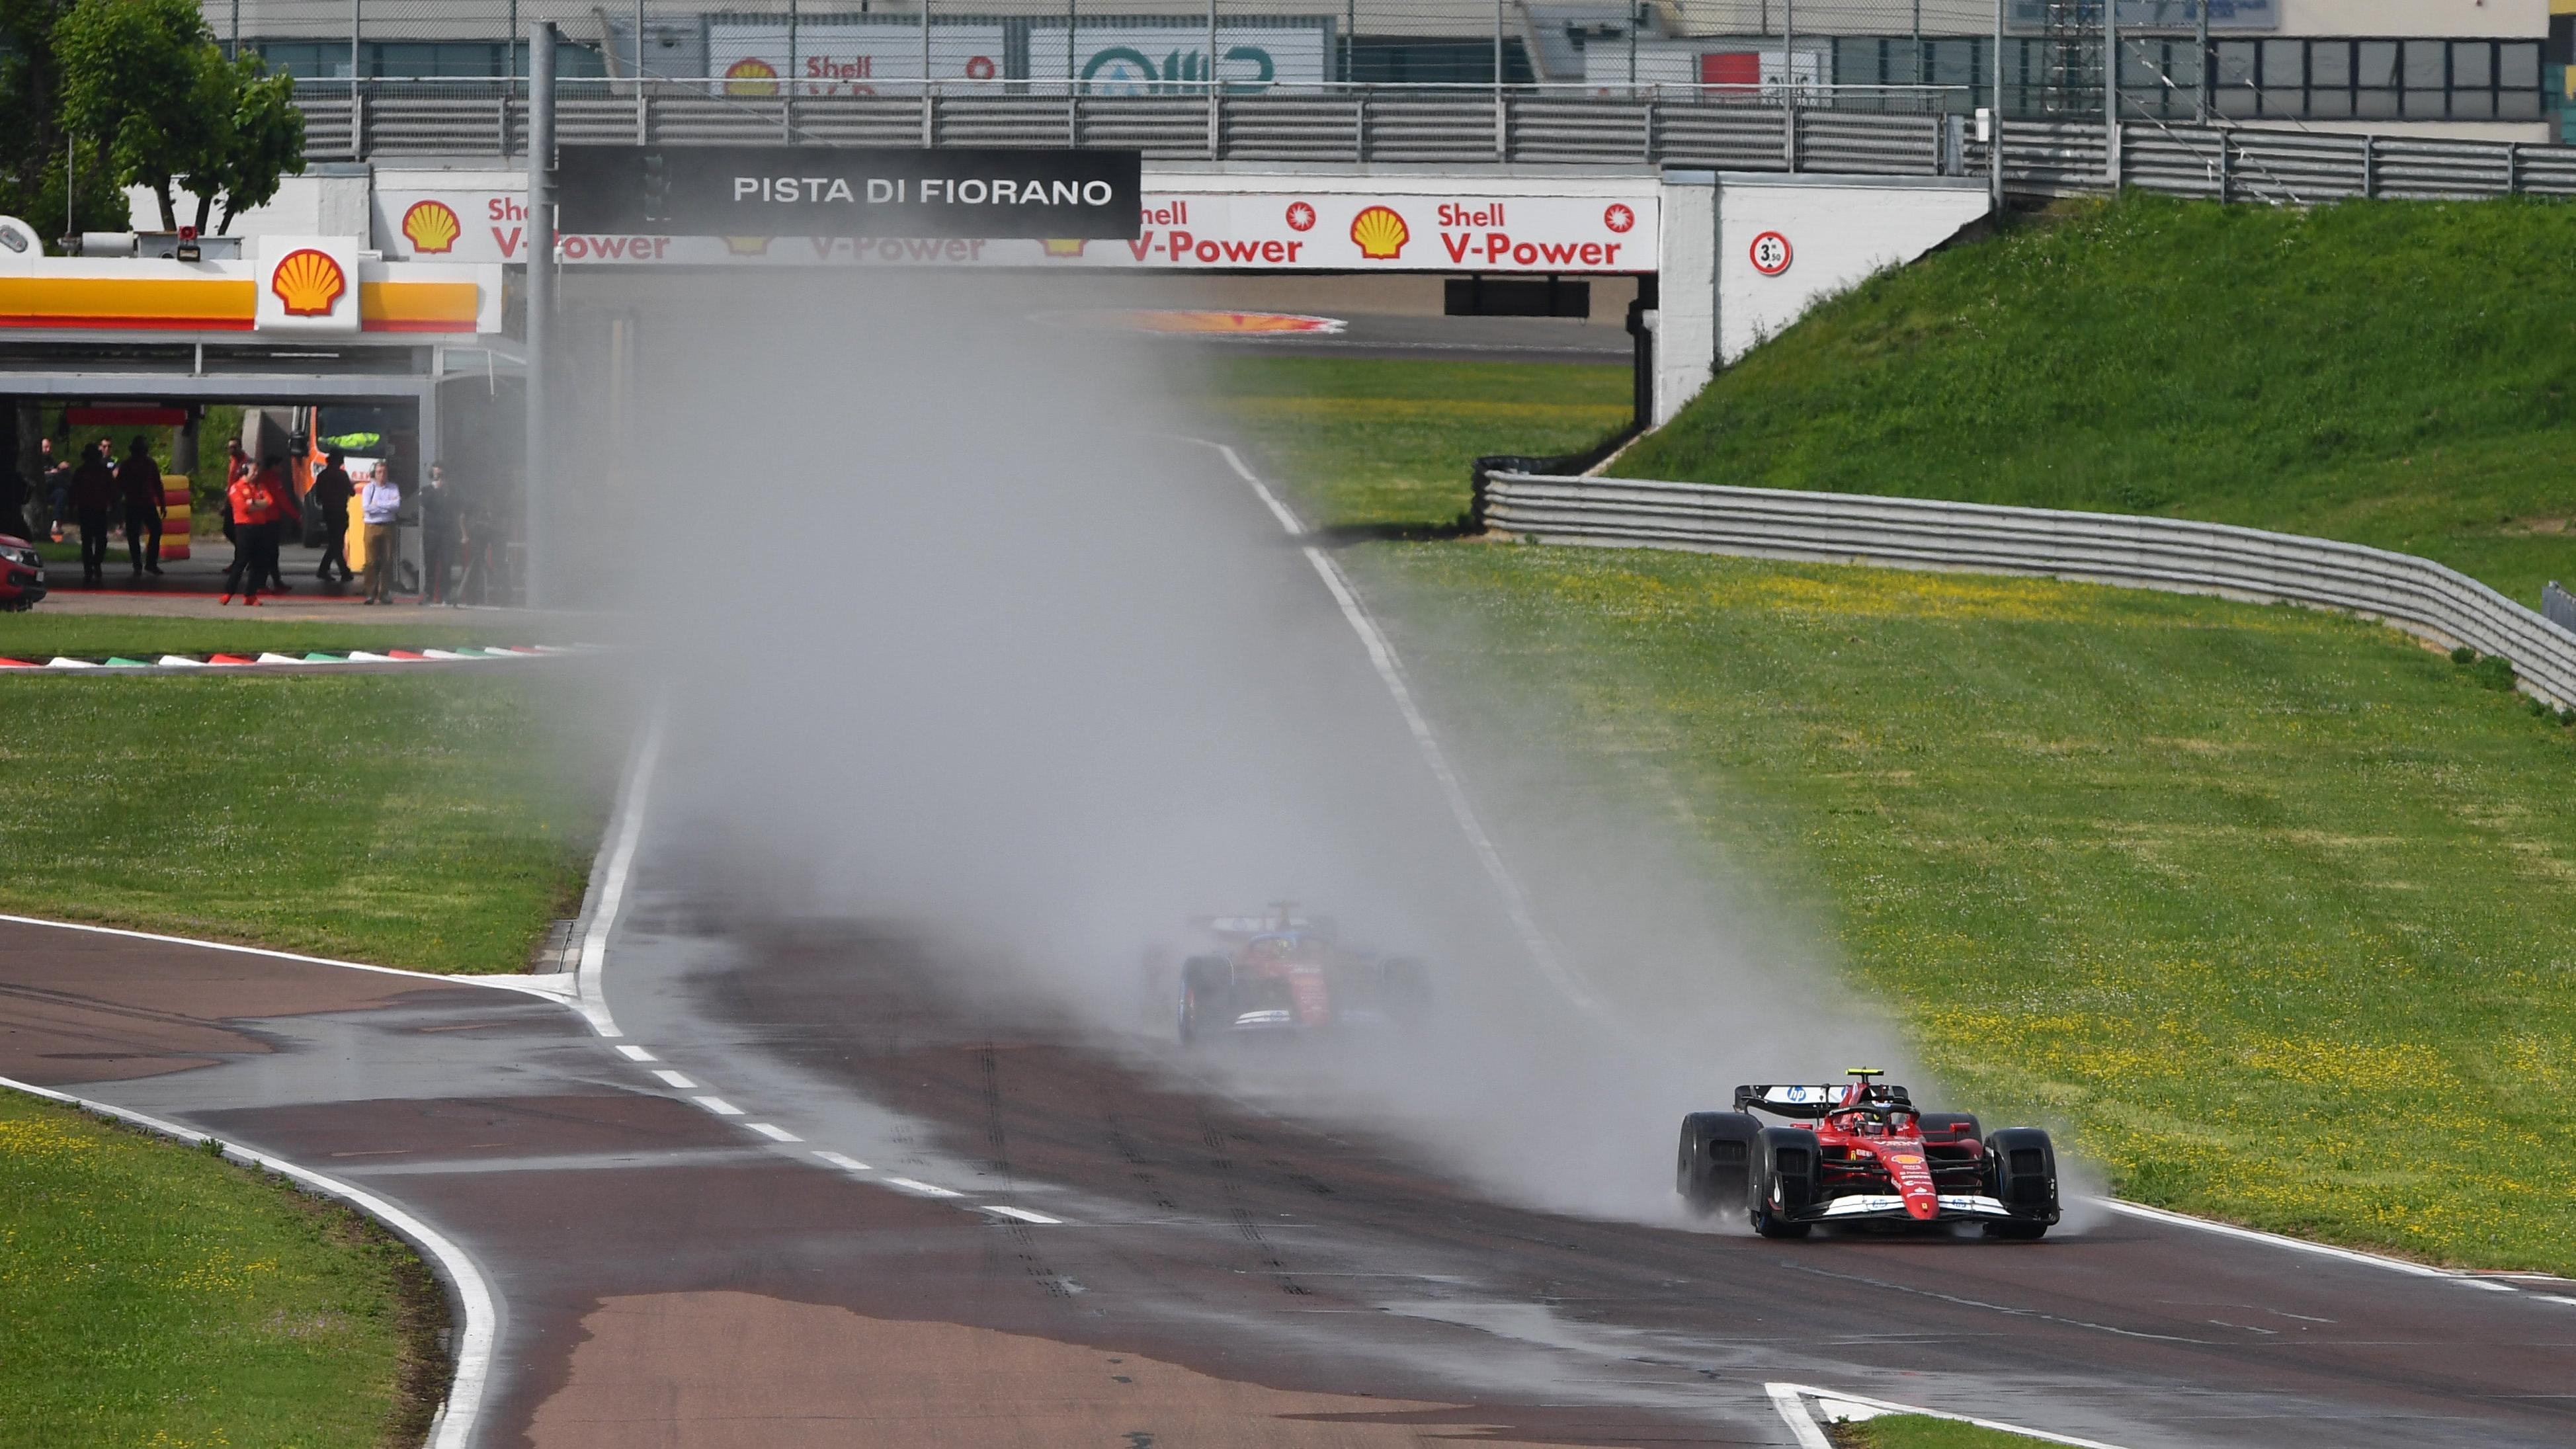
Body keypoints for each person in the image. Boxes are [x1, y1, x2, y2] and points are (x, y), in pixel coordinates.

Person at [222, 454, 292, 606]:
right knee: (242, 561)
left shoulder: (260, 486)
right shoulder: (236, 488)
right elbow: (243, 507)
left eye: (257, 470)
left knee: (259, 562)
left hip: (261, 527)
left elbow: (270, 502)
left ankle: (250, 594)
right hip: (244, 528)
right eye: (253, 471)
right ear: (245, 472)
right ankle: (229, 592)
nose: (256, 473)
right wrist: (258, 503)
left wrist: (254, 503)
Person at [71, 440, 119, 586]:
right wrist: (73, 505)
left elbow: (112, 491)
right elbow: (74, 491)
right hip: (87, 509)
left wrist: (114, 505)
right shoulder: (81, 472)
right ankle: (89, 569)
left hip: (99, 509)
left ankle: (96, 563)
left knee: (100, 541)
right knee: (88, 541)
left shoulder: (103, 472)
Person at [116, 436, 163, 577]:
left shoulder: (148, 464)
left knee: (153, 531)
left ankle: (148, 563)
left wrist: (163, 503)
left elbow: (157, 485)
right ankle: (141, 563)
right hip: (134, 503)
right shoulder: (130, 465)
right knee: (134, 534)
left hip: (144, 503)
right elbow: (120, 485)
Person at [308, 449, 355, 583]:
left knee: (335, 543)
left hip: (328, 512)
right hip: (340, 512)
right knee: (336, 543)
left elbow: (318, 497)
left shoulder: (322, 476)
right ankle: (341, 571)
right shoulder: (342, 475)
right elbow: (351, 493)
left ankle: (331, 570)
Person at [358, 464, 402, 604]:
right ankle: (370, 593)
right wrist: (386, 506)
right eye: (379, 472)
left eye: (384, 472)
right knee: (371, 561)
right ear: (374, 473)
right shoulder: (368, 489)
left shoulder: (393, 487)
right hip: (371, 526)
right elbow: (366, 507)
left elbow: (396, 506)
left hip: (388, 526)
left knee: (387, 561)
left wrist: (378, 504)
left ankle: (384, 594)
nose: (382, 475)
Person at [418, 462, 457, 605]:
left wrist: (445, 490)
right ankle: (428, 593)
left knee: (447, 563)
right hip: (431, 532)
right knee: (430, 564)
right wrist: (435, 489)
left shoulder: (451, 491)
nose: (439, 478)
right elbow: (425, 503)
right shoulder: (427, 490)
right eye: (436, 475)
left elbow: (456, 505)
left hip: (446, 532)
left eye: (441, 475)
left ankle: (446, 593)